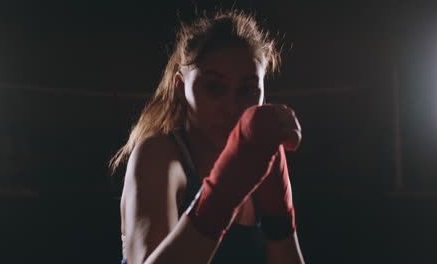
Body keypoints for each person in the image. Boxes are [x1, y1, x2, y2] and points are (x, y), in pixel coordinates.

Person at [110, 9, 305, 264]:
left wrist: (281, 217)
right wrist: (223, 192)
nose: (232, 106)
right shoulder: (159, 155)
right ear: (181, 89)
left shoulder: (262, 166)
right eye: (214, 87)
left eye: (247, 90)